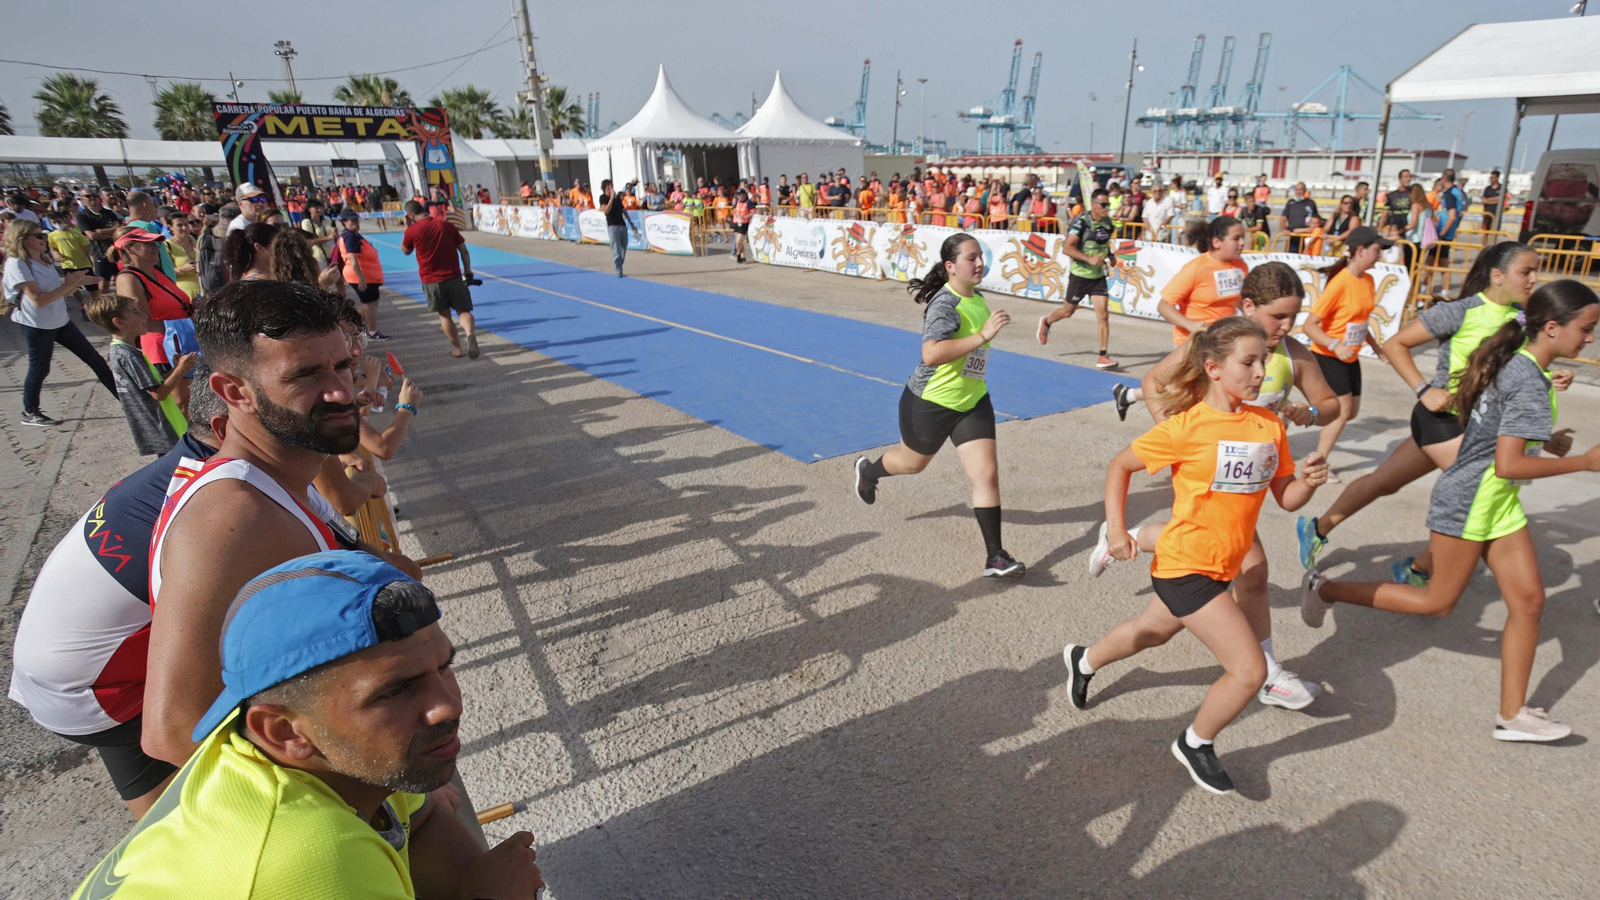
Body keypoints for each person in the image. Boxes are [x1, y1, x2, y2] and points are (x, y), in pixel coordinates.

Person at [70, 550, 545, 899]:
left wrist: (473, 881)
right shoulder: (309, 861)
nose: (446, 705)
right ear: (284, 732)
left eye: (443, 667)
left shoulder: (325, 752)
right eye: (395, 690)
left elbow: (417, 823)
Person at [1302, 280, 1600, 743]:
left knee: (1530, 603)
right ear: (1554, 327)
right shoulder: (1526, 379)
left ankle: (1513, 715)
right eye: (1587, 328)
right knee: (1437, 602)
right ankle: (1325, 590)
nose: (1591, 338)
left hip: (1498, 503)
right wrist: (1583, 462)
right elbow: (1507, 463)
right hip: (1471, 501)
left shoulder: (1524, 367)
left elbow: (1503, 440)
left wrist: (1548, 442)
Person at [140, 279, 421, 767]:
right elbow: (174, 733)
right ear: (234, 392)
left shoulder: (287, 469)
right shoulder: (234, 517)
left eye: (343, 366)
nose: (341, 392)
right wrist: (354, 770)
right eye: (305, 375)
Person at [1065, 317, 1328, 794]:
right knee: (1249, 671)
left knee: (1151, 633)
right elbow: (1120, 466)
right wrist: (1119, 530)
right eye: (1247, 362)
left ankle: (1083, 660)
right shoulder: (1186, 427)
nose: (1259, 372)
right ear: (1213, 368)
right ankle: (1196, 742)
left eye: (1263, 362)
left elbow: (1285, 499)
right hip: (1186, 564)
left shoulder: (1268, 425)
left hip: (1223, 564)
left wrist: (1306, 483)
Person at [1096, 262, 1338, 707]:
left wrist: (1313, 414)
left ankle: (1093, 647)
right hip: (1207, 467)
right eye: (1277, 317)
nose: (1286, 326)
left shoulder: (1293, 354)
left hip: (1250, 476)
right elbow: (1154, 383)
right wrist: (1178, 438)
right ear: (1248, 307)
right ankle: (1263, 674)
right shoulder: (1217, 339)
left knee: (1160, 625)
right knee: (1247, 567)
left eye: (1293, 316)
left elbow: (1330, 403)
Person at [9, 372, 225, 817]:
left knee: (162, 829)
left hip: (52, 680)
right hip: (97, 689)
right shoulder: (218, 499)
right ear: (228, 422)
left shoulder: (173, 469)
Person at [1296, 242, 1545, 581]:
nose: (1535, 278)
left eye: (1536, 270)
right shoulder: (1462, 311)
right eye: (1526, 271)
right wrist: (1424, 389)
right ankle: (1421, 569)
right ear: (1498, 276)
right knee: (1480, 491)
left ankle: (1317, 527)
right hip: (1442, 419)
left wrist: (1548, 374)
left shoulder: (1523, 318)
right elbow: (1396, 343)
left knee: (1383, 483)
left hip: (1479, 426)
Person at [852, 233, 1025, 579]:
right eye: (971, 258)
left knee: (986, 475)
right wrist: (982, 336)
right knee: (912, 464)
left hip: (972, 401)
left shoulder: (976, 298)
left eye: (980, 257)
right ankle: (868, 472)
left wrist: (981, 339)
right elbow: (931, 353)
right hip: (929, 403)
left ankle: (996, 557)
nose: (979, 264)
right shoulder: (945, 305)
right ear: (951, 267)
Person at [1111, 217, 1250, 420]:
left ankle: (1128, 395)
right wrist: (1192, 325)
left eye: (1243, 238)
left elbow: (1236, 300)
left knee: (1192, 390)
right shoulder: (1196, 268)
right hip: (1193, 343)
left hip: (1223, 342)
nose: (1242, 243)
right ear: (1217, 241)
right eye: (1236, 238)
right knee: (1195, 393)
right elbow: (1164, 305)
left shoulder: (1241, 266)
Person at [1299, 226, 1392, 479]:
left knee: (1352, 412)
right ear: (1360, 250)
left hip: (1350, 355)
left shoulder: (1369, 281)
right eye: (1376, 250)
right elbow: (1309, 325)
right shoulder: (1339, 283)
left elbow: (1360, 320)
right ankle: (1319, 463)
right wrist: (1333, 344)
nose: (1380, 255)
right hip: (1328, 355)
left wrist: (1376, 348)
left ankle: (1303, 412)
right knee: (1340, 411)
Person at [4, 220, 114, 427]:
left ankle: (125, 399)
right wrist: (70, 285)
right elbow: (39, 299)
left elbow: (58, 290)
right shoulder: (17, 263)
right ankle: (29, 411)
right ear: (22, 239)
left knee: (96, 360)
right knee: (40, 368)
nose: (44, 239)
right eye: (38, 236)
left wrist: (79, 283)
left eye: (43, 234)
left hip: (61, 321)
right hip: (37, 325)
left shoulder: (43, 258)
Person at [88, 292, 194, 456]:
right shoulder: (128, 356)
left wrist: (176, 369)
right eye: (135, 312)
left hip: (165, 429)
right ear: (119, 322)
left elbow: (155, 385)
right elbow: (158, 394)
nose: (144, 315)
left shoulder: (125, 352)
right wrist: (180, 370)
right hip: (164, 430)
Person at [1037, 188, 1118, 368]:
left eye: (1108, 205)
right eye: (1103, 205)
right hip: (1080, 275)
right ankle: (1047, 321)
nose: (1106, 209)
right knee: (1068, 312)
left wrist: (1110, 256)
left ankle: (1103, 356)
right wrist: (1088, 258)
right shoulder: (1082, 222)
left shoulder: (1108, 223)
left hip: (1098, 276)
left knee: (1103, 315)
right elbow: (1067, 248)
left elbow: (1103, 243)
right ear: (1094, 205)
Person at [400, 200, 479, 359]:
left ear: (409, 215)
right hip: (453, 277)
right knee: (464, 312)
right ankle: (469, 333)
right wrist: (468, 270)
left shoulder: (412, 230)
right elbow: (464, 250)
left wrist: (406, 226)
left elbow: (405, 251)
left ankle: (457, 349)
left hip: (431, 280)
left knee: (444, 315)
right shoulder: (445, 225)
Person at [335, 209, 388, 341]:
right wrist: (361, 278)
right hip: (361, 276)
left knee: (371, 303)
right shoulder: (350, 237)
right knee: (369, 304)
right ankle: (372, 332)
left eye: (356, 220)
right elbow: (352, 259)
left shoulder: (353, 235)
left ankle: (350, 326)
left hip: (367, 275)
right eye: (352, 221)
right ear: (344, 222)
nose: (356, 223)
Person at [46, 209, 95, 312]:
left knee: (93, 288)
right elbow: (53, 249)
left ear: (63, 220)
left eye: (58, 221)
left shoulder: (76, 234)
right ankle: (84, 306)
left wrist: (93, 263)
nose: (57, 224)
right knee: (73, 287)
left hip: (83, 264)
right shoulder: (51, 235)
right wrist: (56, 254)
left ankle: (95, 307)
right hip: (68, 265)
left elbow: (88, 250)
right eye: (54, 222)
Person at [77, 189, 122, 290]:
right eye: (88, 196)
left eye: (94, 195)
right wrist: (112, 234)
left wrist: (100, 231)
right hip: (100, 254)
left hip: (116, 252)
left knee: (121, 281)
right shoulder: (82, 216)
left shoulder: (109, 213)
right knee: (103, 284)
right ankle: (104, 305)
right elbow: (91, 235)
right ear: (82, 199)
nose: (92, 197)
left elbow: (118, 228)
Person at [597, 179, 643, 277]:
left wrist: (631, 223)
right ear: (605, 187)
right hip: (612, 225)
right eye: (609, 185)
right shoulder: (603, 198)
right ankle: (618, 269)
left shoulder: (617, 198)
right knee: (615, 247)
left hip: (622, 224)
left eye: (611, 185)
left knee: (623, 245)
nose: (611, 187)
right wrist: (611, 199)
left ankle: (619, 264)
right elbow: (606, 210)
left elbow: (623, 211)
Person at [165, 213, 203, 299]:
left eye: (186, 224)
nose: (184, 228)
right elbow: (165, 272)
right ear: (171, 227)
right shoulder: (167, 245)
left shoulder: (194, 240)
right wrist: (181, 269)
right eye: (179, 225)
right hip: (184, 293)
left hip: (202, 290)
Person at [299, 198, 337, 269]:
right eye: (316, 208)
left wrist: (335, 234)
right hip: (319, 257)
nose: (319, 210)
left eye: (320, 207)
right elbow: (309, 241)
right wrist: (328, 238)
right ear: (309, 209)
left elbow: (334, 237)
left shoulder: (326, 221)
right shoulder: (307, 222)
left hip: (332, 254)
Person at [1283, 183, 1318, 253]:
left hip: (1307, 236)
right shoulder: (1290, 203)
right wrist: (1284, 229)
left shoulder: (1311, 203)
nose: (1298, 192)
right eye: (1297, 190)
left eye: (1300, 189)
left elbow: (1316, 218)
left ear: (1304, 191)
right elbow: (1283, 218)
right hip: (1293, 236)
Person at [731, 188, 756, 264]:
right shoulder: (738, 202)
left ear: (744, 195)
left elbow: (753, 212)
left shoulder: (748, 202)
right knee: (740, 242)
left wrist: (746, 216)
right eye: (738, 195)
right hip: (736, 222)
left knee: (739, 241)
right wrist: (735, 214)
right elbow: (734, 210)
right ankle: (743, 256)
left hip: (744, 223)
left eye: (740, 195)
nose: (739, 196)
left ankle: (738, 254)